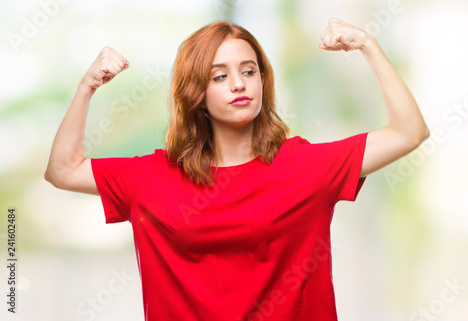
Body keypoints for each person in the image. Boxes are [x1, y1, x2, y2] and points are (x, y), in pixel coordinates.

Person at [44, 18, 429, 321]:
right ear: (197, 93)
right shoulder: (152, 178)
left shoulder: (307, 167)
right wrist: (87, 87)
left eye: (248, 71)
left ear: (263, 79)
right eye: (220, 76)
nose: (239, 85)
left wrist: (368, 45)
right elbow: (62, 169)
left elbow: (409, 132)